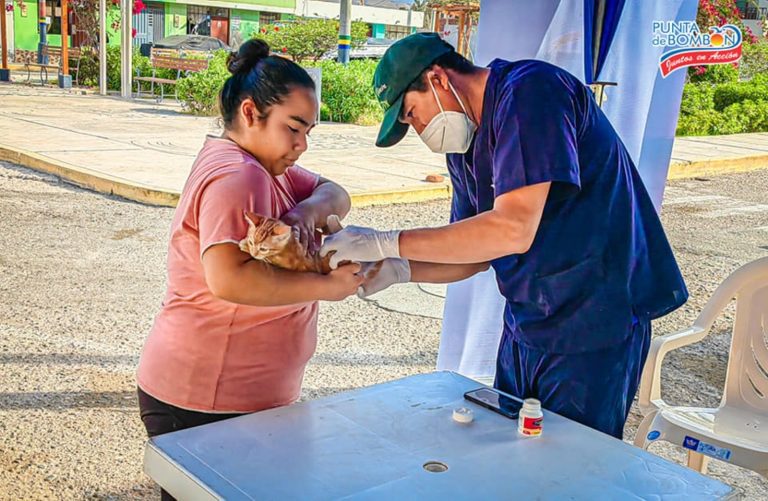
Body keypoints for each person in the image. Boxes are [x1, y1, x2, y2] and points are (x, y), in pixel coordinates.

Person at [322, 33, 689, 439]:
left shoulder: (532, 92)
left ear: (439, 79)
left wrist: (385, 240)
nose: (419, 128)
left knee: (576, 459)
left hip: (597, 314)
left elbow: (512, 228)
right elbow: (474, 252)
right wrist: (398, 269)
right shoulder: (464, 148)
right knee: (512, 444)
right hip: (529, 319)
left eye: (412, 113)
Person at [136, 39, 363, 499]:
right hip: (207, 397)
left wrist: (305, 213)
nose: (301, 145)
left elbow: (334, 191)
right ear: (250, 112)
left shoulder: (265, 164)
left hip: (232, 395)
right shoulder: (239, 175)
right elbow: (229, 278)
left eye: (309, 132)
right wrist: (325, 286)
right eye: (294, 128)